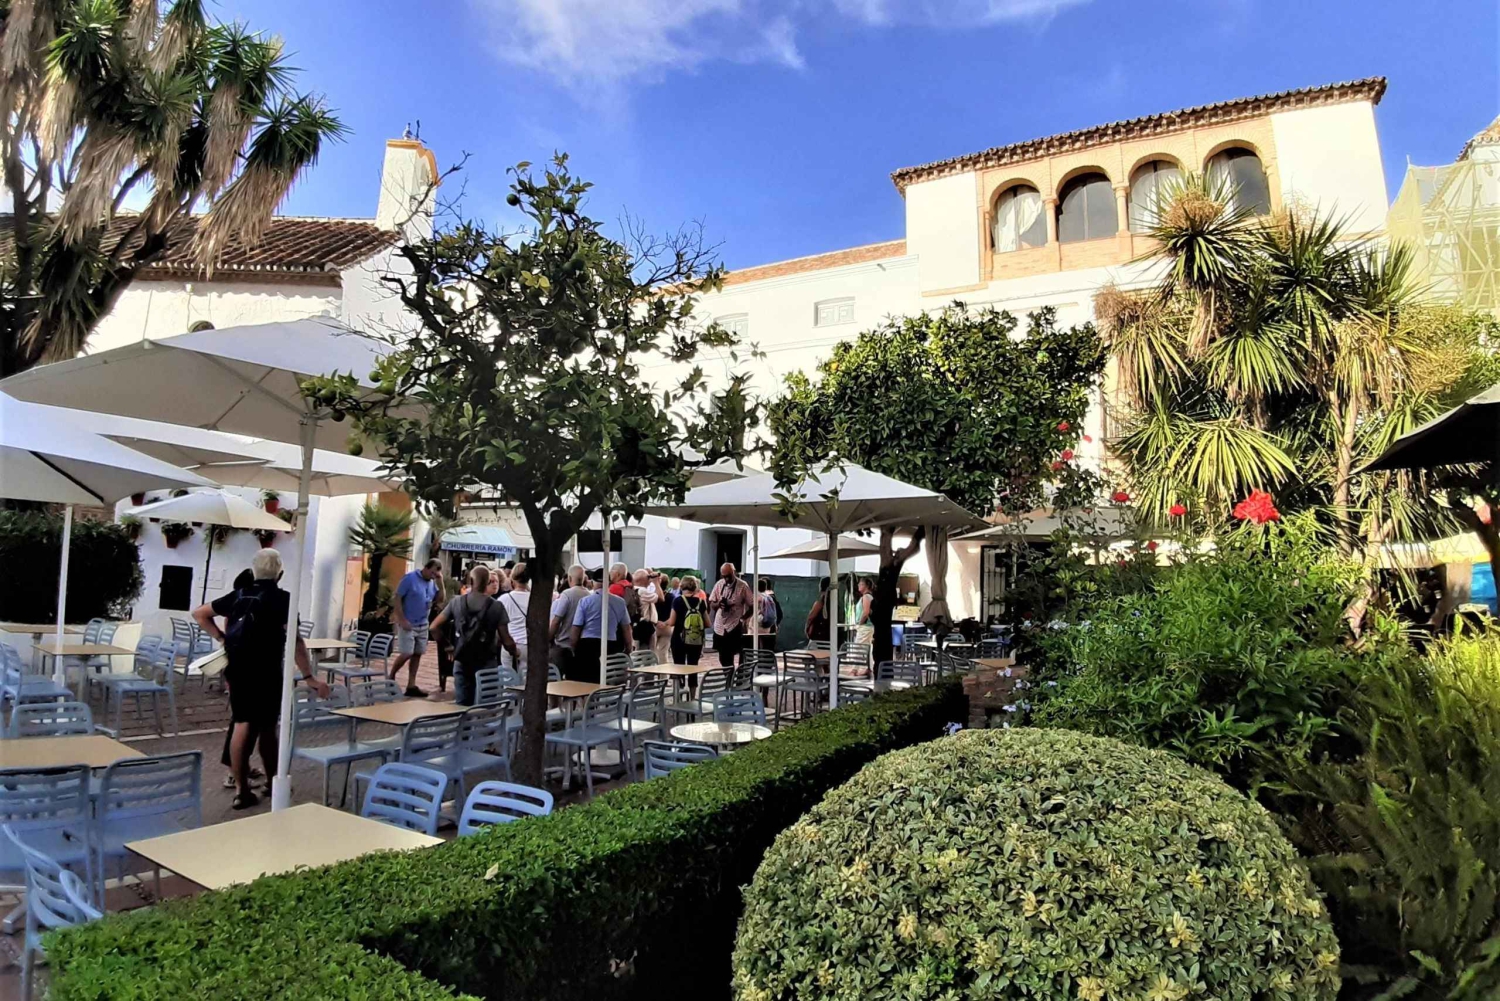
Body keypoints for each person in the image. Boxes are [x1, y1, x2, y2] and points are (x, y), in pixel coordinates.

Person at [193, 548, 327, 811]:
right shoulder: (283, 599)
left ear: (254, 571)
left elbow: (199, 613)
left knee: (242, 722)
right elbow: (295, 640)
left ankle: (241, 790)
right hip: (267, 669)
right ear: (280, 574)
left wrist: (221, 638)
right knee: (267, 727)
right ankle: (272, 781)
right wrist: (309, 676)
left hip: (238, 667)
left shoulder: (239, 594)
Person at [429, 565, 518, 705]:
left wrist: (447, 646)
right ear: (487, 581)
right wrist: (514, 651)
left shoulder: (457, 602)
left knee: (462, 705)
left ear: (471, 581)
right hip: (487, 662)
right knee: (486, 706)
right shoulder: (496, 607)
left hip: (462, 660)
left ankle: (464, 720)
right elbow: (506, 640)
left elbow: (434, 627)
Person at [390, 558, 442, 698]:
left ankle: (411, 684)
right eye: (432, 572)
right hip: (409, 622)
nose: (433, 575)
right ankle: (392, 675)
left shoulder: (432, 583)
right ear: (426, 567)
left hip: (423, 623)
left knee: (417, 653)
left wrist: (440, 581)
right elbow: (398, 598)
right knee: (407, 652)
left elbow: (440, 599)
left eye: (436, 574)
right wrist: (401, 619)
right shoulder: (410, 578)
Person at [569, 577, 632, 681]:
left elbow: (576, 627)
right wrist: (628, 648)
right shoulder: (620, 602)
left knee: (585, 681)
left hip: (587, 646)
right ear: (609, 583)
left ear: (593, 583)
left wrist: (573, 647)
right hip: (611, 645)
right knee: (609, 679)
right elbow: (626, 628)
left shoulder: (585, 601)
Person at [707, 562, 753, 669]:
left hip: (734, 624)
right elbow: (712, 603)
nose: (726, 579)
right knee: (723, 656)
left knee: (735, 652)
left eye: (729, 576)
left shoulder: (742, 585)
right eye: (724, 576)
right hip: (720, 626)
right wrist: (719, 604)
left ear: (734, 572)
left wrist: (743, 619)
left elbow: (752, 605)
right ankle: (729, 675)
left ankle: (735, 676)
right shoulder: (719, 584)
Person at [548, 564, 590, 677]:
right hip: (580, 644)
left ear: (570, 578)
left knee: (555, 678)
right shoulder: (589, 595)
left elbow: (557, 620)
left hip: (563, 644)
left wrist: (549, 637)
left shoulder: (567, 594)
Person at [660, 575, 709, 665]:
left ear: (681, 586)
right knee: (693, 667)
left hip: (679, 639)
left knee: (679, 667)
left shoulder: (677, 601)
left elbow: (672, 622)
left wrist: (664, 623)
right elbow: (708, 623)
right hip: (696, 640)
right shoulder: (701, 602)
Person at [497, 562, 531, 674]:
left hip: (509, 643)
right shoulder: (534, 599)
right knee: (525, 677)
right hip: (528, 644)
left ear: (512, 579)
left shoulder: (504, 599)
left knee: (508, 677)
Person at [630, 568, 659, 654]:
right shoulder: (642, 591)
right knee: (648, 652)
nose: (649, 581)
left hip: (635, 625)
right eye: (648, 578)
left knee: (637, 651)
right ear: (642, 580)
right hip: (645, 626)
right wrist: (656, 581)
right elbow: (660, 597)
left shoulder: (631, 590)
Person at [753, 576, 783, 652]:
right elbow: (779, 614)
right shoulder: (772, 598)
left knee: (758, 649)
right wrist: (776, 624)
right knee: (768, 650)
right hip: (771, 626)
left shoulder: (758, 597)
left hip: (760, 626)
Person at [806, 576, 832, 643]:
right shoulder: (834, 604)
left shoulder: (820, 603)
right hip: (829, 637)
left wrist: (807, 629)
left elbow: (810, 618)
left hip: (818, 637)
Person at [854, 577, 876, 647]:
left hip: (865, 627)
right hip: (866, 627)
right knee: (864, 648)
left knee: (858, 649)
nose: (858, 585)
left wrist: (860, 624)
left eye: (861, 584)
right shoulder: (868, 597)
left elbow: (866, 613)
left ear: (866, 586)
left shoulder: (866, 597)